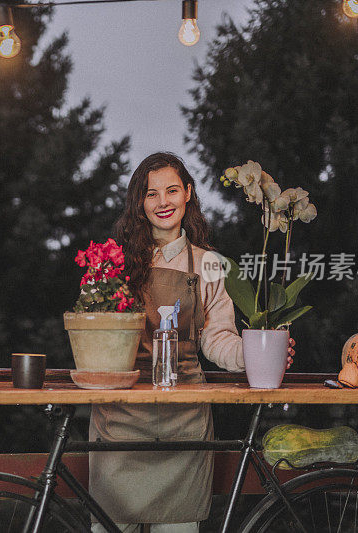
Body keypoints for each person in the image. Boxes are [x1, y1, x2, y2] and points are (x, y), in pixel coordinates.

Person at [89, 153, 294, 533]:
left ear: (187, 194)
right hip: (120, 421)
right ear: (139, 203)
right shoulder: (115, 262)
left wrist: (255, 353)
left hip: (182, 424)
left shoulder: (209, 263)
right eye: (152, 194)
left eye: (171, 190)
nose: (163, 202)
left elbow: (217, 338)